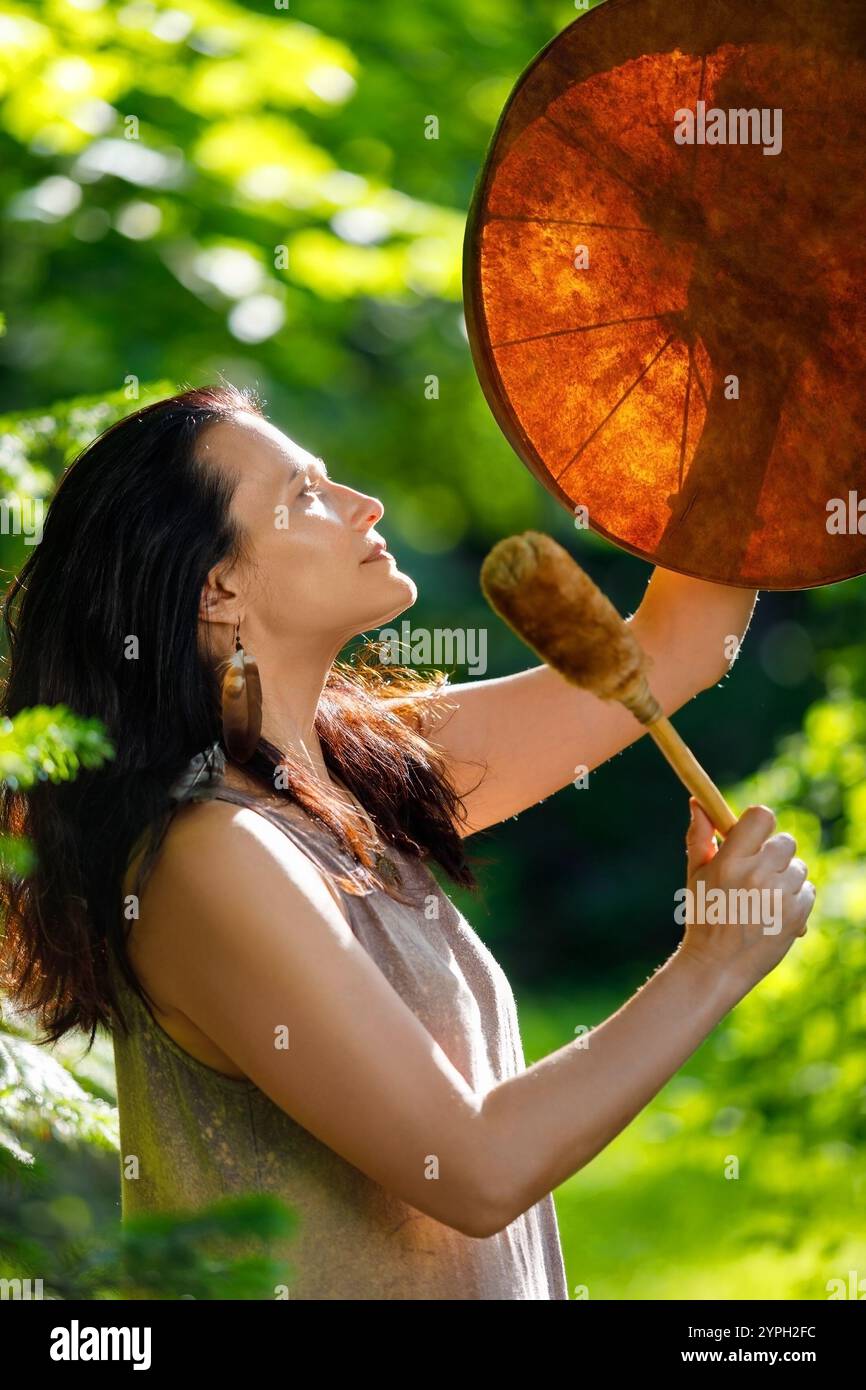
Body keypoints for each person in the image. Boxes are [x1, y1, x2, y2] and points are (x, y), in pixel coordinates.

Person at [0, 383, 815, 1300]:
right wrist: (712, 963)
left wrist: (755, 358)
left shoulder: (356, 768)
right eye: (306, 495)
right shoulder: (209, 853)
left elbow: (680, 644)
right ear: (216, 588)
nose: (364, 504)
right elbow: (473, 1172)